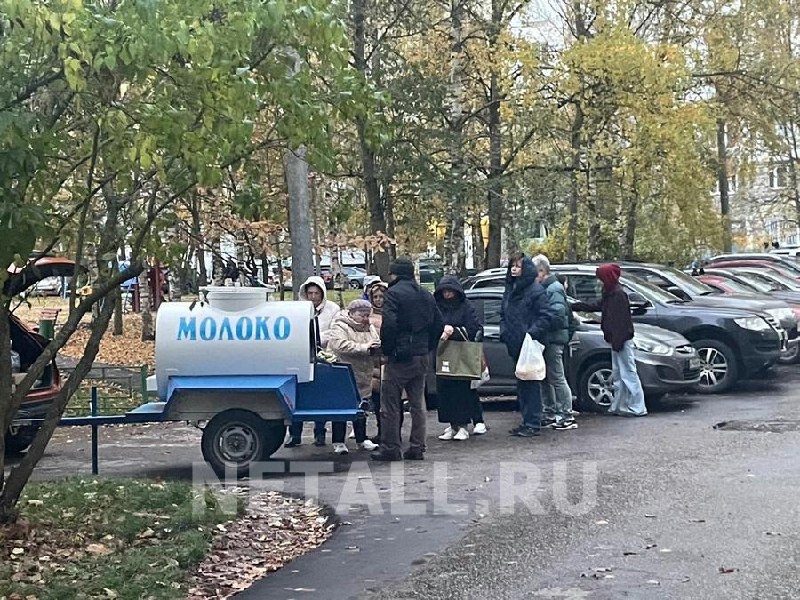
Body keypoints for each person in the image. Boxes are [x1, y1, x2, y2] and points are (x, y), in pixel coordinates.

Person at [371, 257, 443, 462]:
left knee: (390, 404)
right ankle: (417, 447)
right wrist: (427, 346)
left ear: (394, 274)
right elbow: (438, 324)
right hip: (421, 355)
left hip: (399, 357)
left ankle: (391, 447)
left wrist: (388, 350)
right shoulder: (425, 294)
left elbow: (390, 324)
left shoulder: (393, 294)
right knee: (417, 404)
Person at [571, 263, 647, 417]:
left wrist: (617, 341)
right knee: (619, 374)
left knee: (628, 373)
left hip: (620, 340)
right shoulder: (611, 292)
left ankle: (637, 406)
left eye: (601, 278)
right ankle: (620, 405)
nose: (600, 282)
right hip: (617, 340)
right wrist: (577, 306)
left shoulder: (617, 295)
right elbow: (598, 306)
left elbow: (621, 321)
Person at [500, 253, 555, 438]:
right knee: (522, 383)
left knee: (531, 383)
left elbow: (546, 316)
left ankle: (533, 422)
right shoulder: (510, 289)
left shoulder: (535, 290)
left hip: (530, 344)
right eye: (512, 266)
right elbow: (504, 313)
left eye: (518, 266)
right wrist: (504, 331)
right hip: (515, 342)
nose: (514, 269)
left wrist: (530, 334)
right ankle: (526, 420)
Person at [285, 276, 342, 447]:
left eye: (316, 293)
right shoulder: (299, 309)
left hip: (324, 355)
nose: (313, 296)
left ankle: (320, 433)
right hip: (301, 356)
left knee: (320, 396)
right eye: (310, 293)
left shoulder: (333, 309)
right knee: (298, 395)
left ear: (322, 293)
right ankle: (295, 434)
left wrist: (315, 339)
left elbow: (334, 331)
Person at [434, 276, 486, 441]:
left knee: (461, 390)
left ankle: (463, 425)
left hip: (461, 355)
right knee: (444, 391)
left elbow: (474, 328)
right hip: (443, 354)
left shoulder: (465, 307)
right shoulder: (438, 307)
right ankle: (452, 424)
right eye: (444, 291)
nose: (447, 294)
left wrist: (454, 332)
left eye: (450, 291)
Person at [327, 300, 381, 454]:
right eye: (361, 315)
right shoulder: (339, 326)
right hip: (343, 372)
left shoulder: (369, 327)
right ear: (351, 313)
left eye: (367, 315)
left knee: (362, 406)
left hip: (364, 372)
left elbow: (375, 340)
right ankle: (338, 441)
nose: (365, 318)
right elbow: (339, 345)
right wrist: (364, 347)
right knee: (341, 406)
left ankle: (361, 439)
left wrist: (376, 346)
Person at [533, 254, 577, 431]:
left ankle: (566, 414)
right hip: (550, 338)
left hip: (553, 339)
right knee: (547, 377)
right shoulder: (551, 288)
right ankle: (550, 412)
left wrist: (541, 325)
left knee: (557, 377)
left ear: (542, 271)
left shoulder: (553, 289)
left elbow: (558, 316)